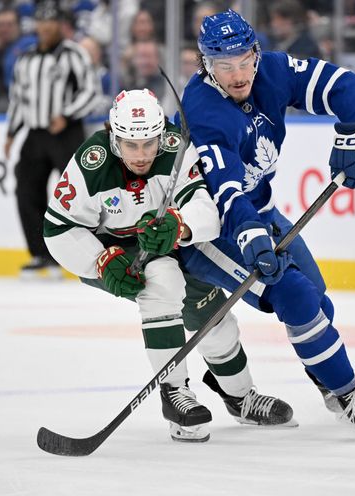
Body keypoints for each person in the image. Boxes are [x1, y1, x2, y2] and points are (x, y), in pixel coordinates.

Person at [177, 9, 355, 438]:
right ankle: (351, 394)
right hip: (206, 227)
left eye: (245, 61)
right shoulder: (203, 109)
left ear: (256, 54)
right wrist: (250, 235)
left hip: (256, 211)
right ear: (206, 65)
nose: (239, 75)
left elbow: (347, 86)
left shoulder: (271, 71)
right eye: (225, 66)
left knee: (316, 300)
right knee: (293, 292)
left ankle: (330, 386)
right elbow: (225, 191)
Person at [43, 88, 295, 442]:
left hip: (167, 240)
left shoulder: (176, 148)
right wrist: (99, 261)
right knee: (162, 280)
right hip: (111, 252)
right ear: (114, 138)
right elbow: (57, 228)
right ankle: (174, 393)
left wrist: (180, 224)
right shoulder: (92, 163)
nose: (142, 154)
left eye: (150, 143)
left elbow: (205, 206)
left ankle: (241, 397)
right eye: (131, 145)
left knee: (214, 317)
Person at [5, 0, 100, 278]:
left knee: (80, 192)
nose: (45, 26)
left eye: (51, 21)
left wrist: (67, 115)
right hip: (35, 133)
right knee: (26, 190)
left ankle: (95, 249)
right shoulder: (26, 59)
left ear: (60, 24)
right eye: (41, 20)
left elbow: (91, 92)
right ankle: (41, 254)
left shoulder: (74, 54)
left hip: (65, 133)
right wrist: (11, 132)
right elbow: (18, 100)